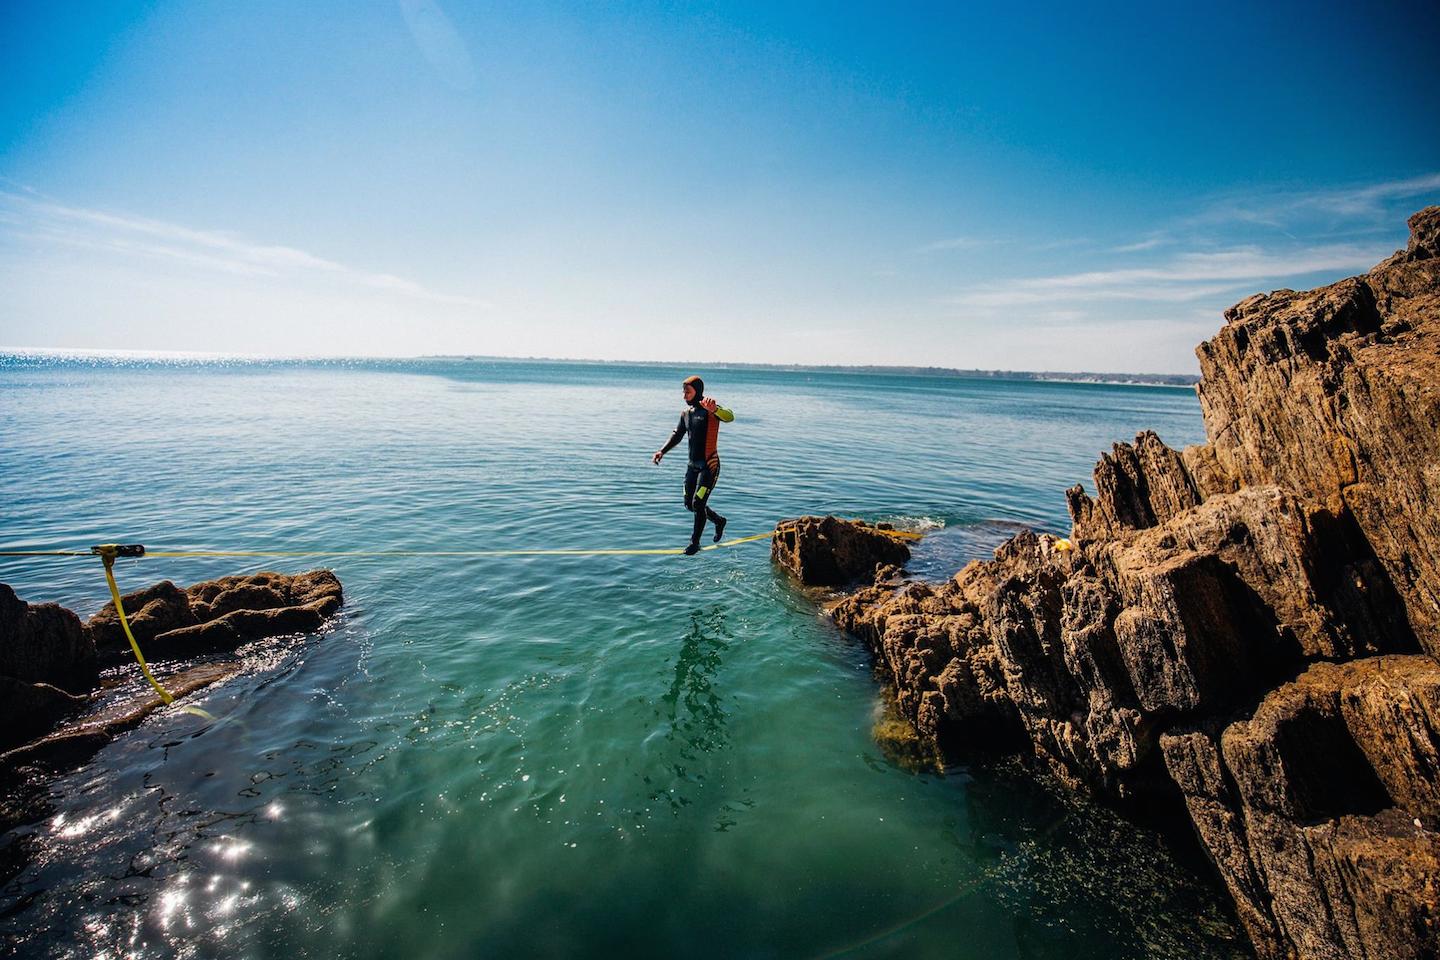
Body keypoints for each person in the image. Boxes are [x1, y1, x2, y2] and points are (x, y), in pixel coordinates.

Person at [652, 375, 734, 555]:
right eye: (683, 392)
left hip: (709, 466)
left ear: (698, 391)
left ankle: (694, 543)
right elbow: (677, 434)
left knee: (698, 503)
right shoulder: (686, 414)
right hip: (692, 467)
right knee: (689, 504)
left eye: (687, 392)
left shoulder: (710, 409)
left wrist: (715, 409)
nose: (684, 396)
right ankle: (719, 521)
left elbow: (729, 416)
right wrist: (662, 451)